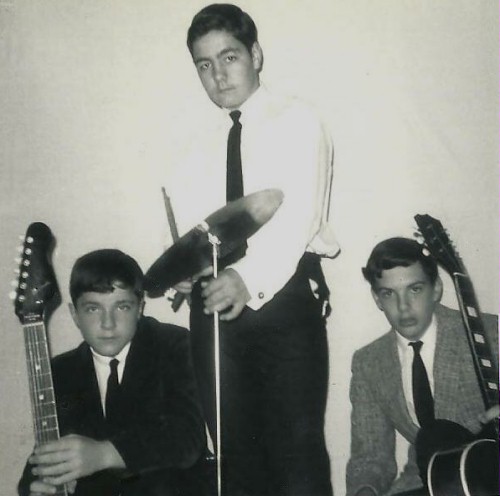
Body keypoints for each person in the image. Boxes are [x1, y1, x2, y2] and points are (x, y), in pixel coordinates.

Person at [168, 4, 339, 495]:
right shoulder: (192, 143)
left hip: (282, 296)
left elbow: (300, 212)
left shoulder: (299, 120)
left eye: (229, 57)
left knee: (296, 452)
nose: (218, 75)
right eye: (204, 64)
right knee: (234, 458)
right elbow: (192, 231)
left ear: (256, 54)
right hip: (212, 304)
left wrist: (248, 278)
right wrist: (181, 268)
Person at [18, 249, 206, 496]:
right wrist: (35, 486)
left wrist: (104, 454)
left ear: (140, 308)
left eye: (122, 307)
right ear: (75, 314)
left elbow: (186, 440)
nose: (108, 323)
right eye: (93, 309)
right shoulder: (61, 370)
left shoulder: (174, 346)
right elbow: (45, 454)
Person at [346, 237, 499, 496]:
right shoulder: (368, 363)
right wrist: (365, 491)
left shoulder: (487, 333)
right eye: (389, 293)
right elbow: (371, 457)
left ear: (436, 289)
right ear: (377, 299)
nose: (403, 307)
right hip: (427, 482)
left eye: (414, 289)